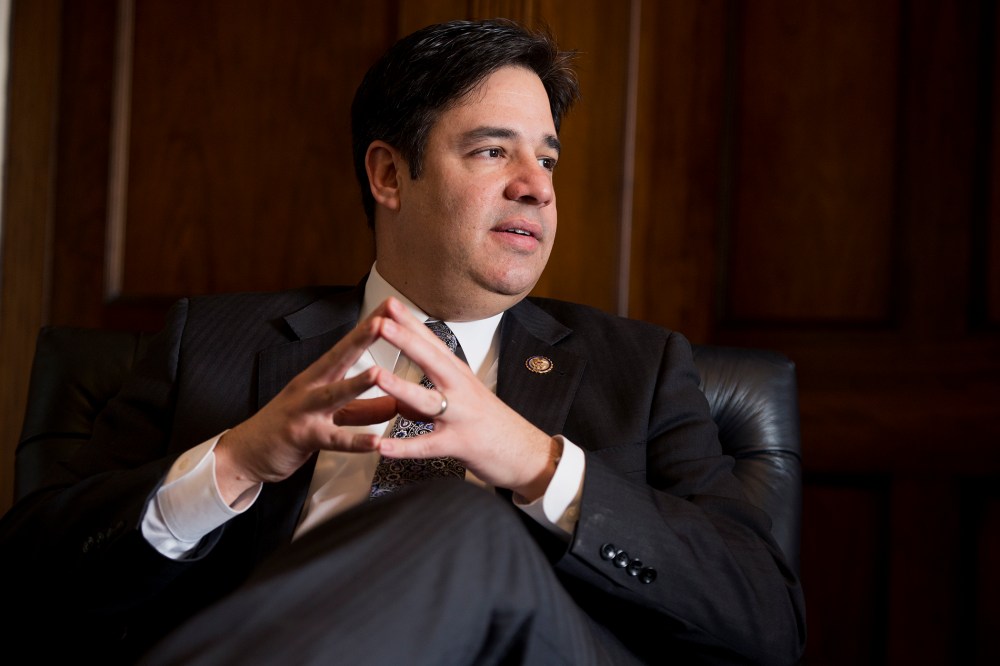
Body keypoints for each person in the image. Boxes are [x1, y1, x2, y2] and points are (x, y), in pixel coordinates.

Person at [0, 18, 805, 665]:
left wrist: (534, 461)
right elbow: (30, 578)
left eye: (547, 157)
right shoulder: (213, 341)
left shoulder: (640, 368)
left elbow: (766, 621)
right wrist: (237, 460)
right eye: (494, 150)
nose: (538, 185)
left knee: (467, 521)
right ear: (389, 176)